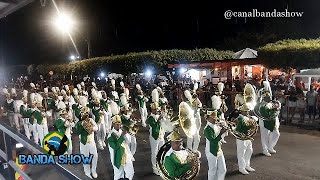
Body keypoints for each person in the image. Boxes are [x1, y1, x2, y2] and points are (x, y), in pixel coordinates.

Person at [107, 113, 135, 180]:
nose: (118, 125)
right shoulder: (110, 136)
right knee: (118, 175)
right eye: (117, 124)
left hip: (126, 154)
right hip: (117, 157)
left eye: (119, 124)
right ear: (113, 124)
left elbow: (128, 142)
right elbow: (115, 146)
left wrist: (128, 135)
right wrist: (122, 136)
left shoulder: (122, 131)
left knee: (131, 173)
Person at [204, 110, 227, 180]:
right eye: (213, 118)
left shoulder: (215, 125)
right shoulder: (207, 129)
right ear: (208, 118)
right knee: (212, 171)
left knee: (223, 169)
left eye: (215, 117)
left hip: (218, 149)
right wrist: (221, 133)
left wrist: (224, 130)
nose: (215, 119)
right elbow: (213, 141)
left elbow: (220, 138)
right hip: (211, 151)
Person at [258, 88, 281, 157]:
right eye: (267, 97)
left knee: (276, 134)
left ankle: (270, 147)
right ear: (264, 98)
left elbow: (275, 111)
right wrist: (274, 110)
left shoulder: (271, 103)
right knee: (265, 136)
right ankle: (265, 150)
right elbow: (265, 114)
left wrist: (276, 108)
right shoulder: (261, 105)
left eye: (269, 97)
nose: (269, 98)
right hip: (264, 122)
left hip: (272, 122)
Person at [75, 112, 99, 178]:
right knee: (85, 157)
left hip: (92, 142)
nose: (85, 116)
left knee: (95, 156)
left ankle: (93, 170)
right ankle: (87, 172)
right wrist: (82, 125)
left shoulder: (91, 120)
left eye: (86, 115)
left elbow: (96, 127)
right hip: (84, 143)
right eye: (83, 115)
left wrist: (92, 128)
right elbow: (78, 132)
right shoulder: (79, 123)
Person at [235, 103, 256, 175]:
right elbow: (237, 129)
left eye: (248, 111)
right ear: (241, 111)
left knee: (249, 151)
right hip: (241, 138)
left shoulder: (247, 118)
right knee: (241, 153)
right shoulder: (239, 119)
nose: (247, 112)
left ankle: (247, 165)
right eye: (245, 111)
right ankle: (241, 168)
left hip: (248, 137)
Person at [146, 101, 164, 175]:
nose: (157, 110)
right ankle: (154, 168)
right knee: (154, 152)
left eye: (157, 109)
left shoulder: (158, 115)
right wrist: (159, 120)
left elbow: (163, 125)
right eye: (155, 109)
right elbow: (154, 126)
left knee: (162, 151)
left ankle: (161, 166)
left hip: (161, 136)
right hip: (154, 137)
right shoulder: (150, 118)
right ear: (152, 110)